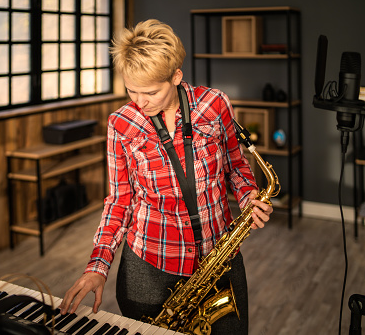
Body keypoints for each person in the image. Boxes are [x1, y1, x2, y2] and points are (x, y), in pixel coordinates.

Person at [60, 19, 273, 335]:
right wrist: (97, 267)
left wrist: (248, 197)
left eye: (150, 91)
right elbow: (120, 201)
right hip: (147, 268)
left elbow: (236, 166)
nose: (139, 102)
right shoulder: (121, 124)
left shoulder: (215, 105)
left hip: (219, 259)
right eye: (131, 89)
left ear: (176, 76)